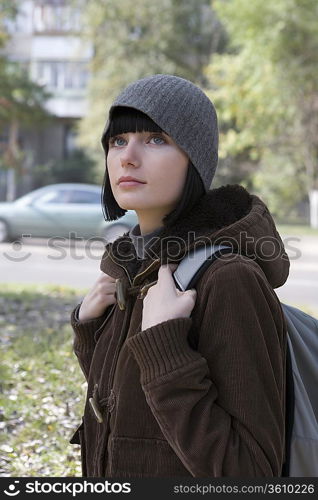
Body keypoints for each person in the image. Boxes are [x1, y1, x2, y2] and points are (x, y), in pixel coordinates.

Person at [69, 74, 289, 477]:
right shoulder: (135, 269)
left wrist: (165, 345)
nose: (127, 157)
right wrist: (89, 332)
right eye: (118, 141)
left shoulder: (228, 279)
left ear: (196, 160)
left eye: (155, 140)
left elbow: (252, 475)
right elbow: (133, 408)